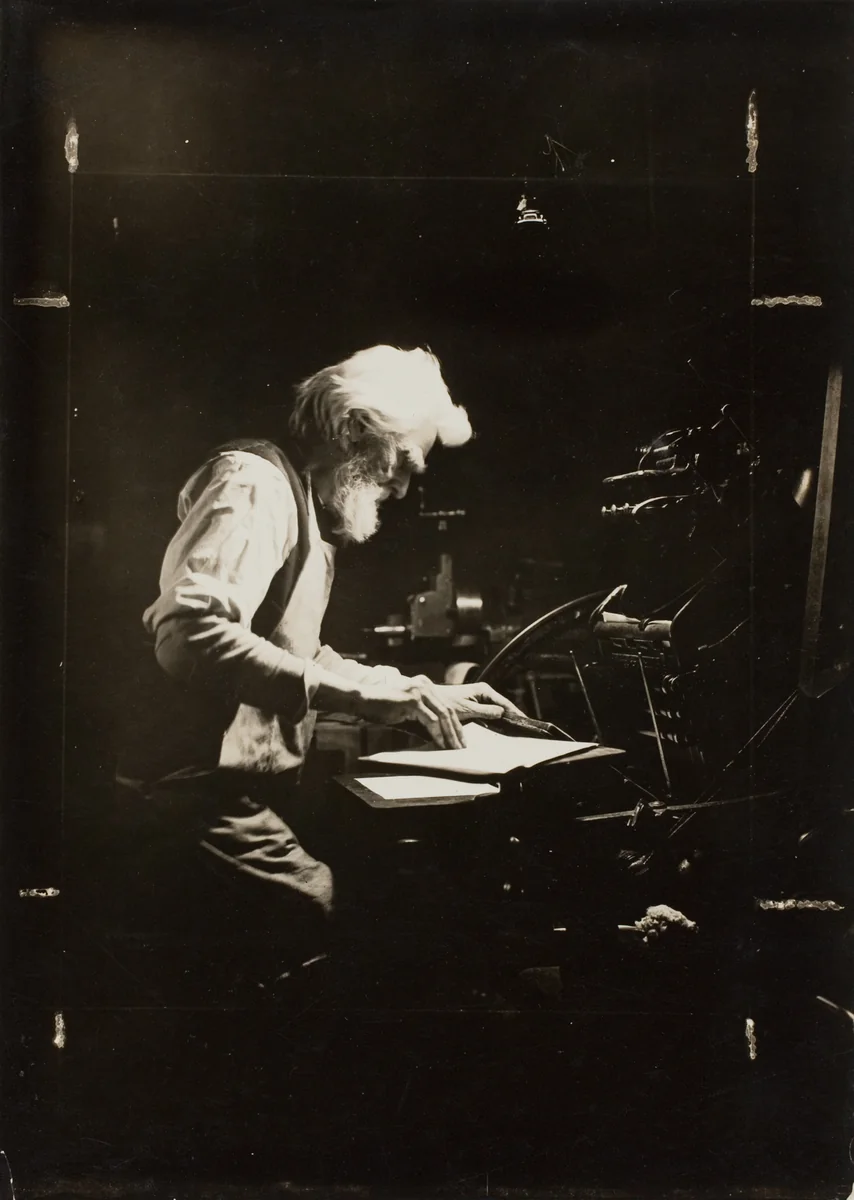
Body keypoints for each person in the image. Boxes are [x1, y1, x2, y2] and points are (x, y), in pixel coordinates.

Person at [116, 344, 522, 994]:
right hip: (185, 802)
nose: (403, 487)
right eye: (404, 463)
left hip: (226, 802)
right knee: (328, 928)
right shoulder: (254, 485)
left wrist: (407, 689)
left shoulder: (304, 512)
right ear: (351, 429)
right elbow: (189, 636)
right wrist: (374, 702)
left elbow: (298, 659)